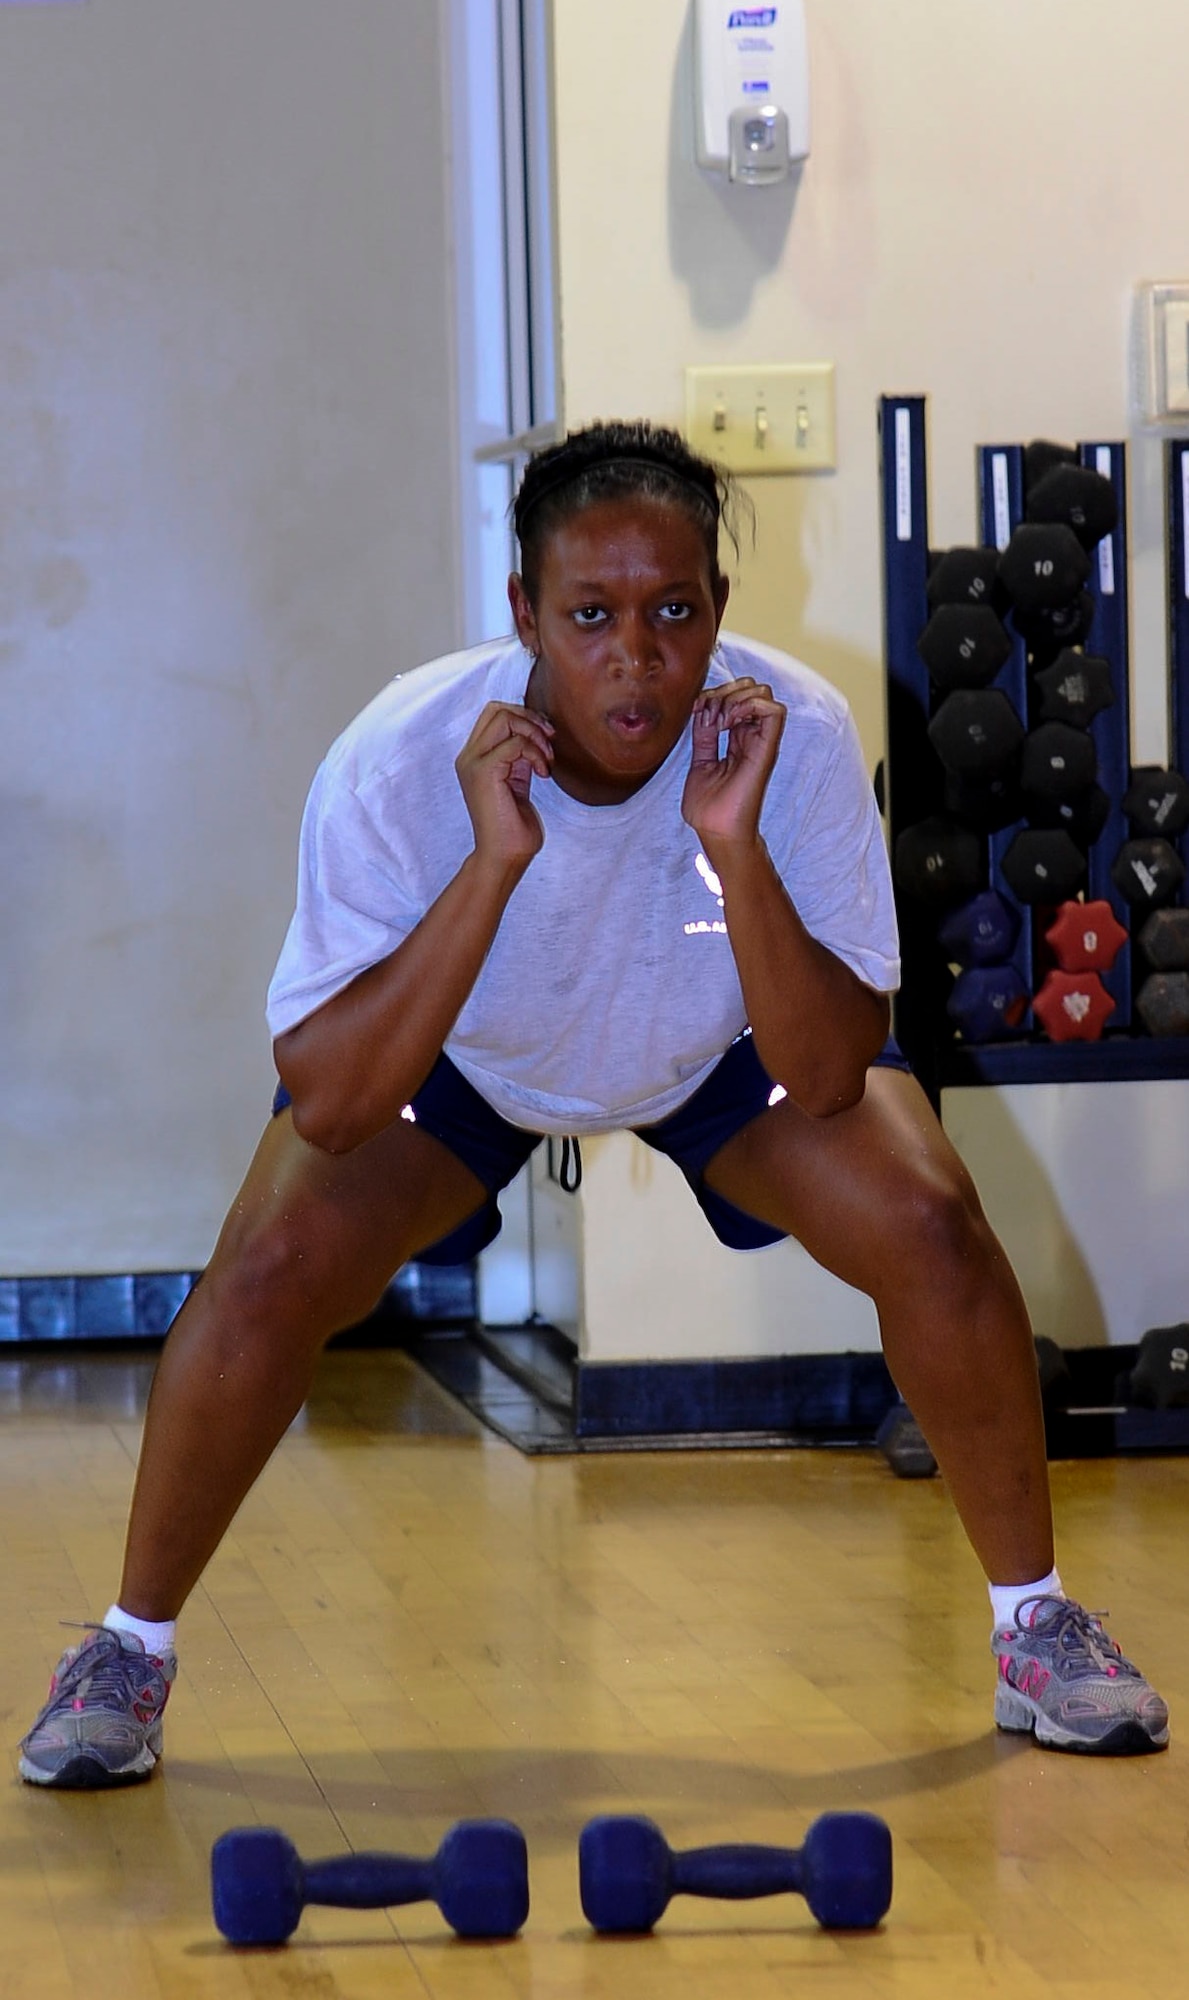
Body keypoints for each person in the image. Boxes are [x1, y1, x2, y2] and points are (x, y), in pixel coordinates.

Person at [20, 420, 1167, 1789]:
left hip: (719, 1050)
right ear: (523, 615)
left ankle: (1033, 1627)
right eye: (591, 615)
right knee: (267, 1266)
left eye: (673, 611)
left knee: (931, 1225)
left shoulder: (785, 735)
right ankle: (128, 1652)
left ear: (717, 610)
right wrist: (497, 860)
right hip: (463, 1055)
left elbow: (819, 1072)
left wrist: (730, 844)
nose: (637, 656)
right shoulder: (401, 757)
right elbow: (329, 1105)